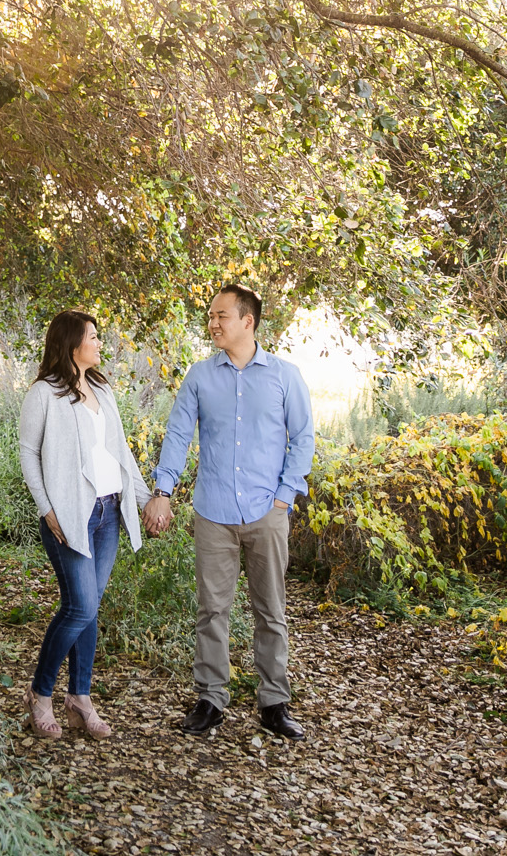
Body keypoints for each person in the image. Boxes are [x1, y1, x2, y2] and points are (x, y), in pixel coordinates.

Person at [143, 285, 316, 739]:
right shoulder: (200, 377)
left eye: (221, 315)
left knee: (271, 611)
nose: (213, 323)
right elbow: (178, 435)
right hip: (214, 512)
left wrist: (284, 496)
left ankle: (274, 703)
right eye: (211, 316)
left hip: (267, 513)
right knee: (211, 611)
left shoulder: (284, 376)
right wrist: (163, 490)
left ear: (247, 321)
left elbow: (303, 439)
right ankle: (210, 700)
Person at [17, 309, 147, 739]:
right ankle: (40, 694)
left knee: (88, 609)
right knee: (80, 607)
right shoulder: (44, 393)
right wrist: (46, 508)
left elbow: (120, 452)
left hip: (108, 511)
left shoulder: (101, 391)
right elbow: (28, 453)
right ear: (72, 343)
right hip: (70, 515)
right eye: (92, 336)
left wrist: (146, 499)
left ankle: (80, 697)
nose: (98, 343)